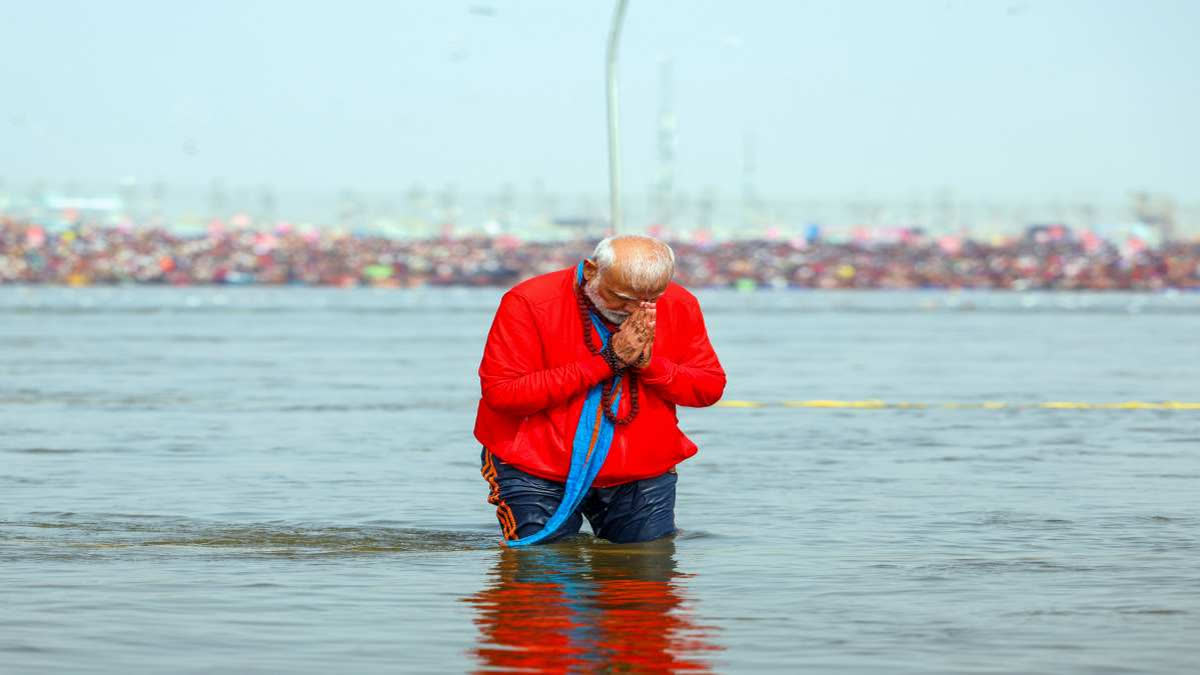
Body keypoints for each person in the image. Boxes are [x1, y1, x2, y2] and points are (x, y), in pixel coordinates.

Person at [474, 235, 726, 545]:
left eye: (649, 299)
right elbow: (504, 395)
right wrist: (608, 361)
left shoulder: (679, 303)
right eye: (620, 296)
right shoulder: (529, 301)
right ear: (592, 271)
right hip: (534, 465)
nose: (632, 308)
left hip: (641, 468)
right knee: (539, 581)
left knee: (646, 583)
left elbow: (708, 388)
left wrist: (649, 365)